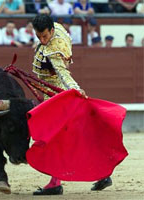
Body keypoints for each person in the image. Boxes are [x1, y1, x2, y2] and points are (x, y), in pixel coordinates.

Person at [31, 14, 112, 195]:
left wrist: (75, 89)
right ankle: (103, 173)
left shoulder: (54, 48)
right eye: (38, 37)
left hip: (57, 94)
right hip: (51, 90)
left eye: (44, 36)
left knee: (53, 138)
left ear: (51, 30)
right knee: (71, 138)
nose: (42, 40)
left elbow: (62, 72)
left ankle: (55, 183)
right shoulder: (56, 28)